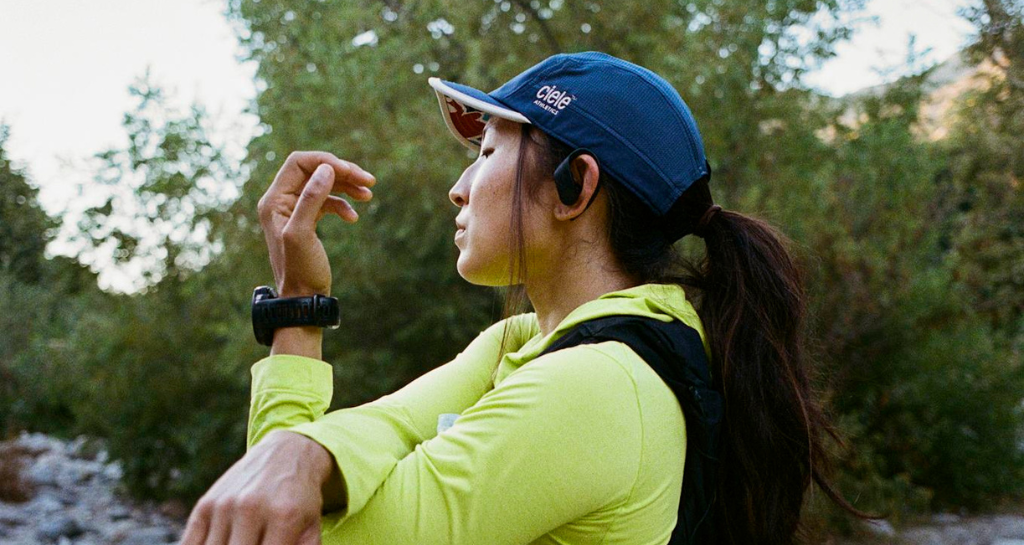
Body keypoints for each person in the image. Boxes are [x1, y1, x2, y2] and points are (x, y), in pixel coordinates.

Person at [181, 51, 866, 545]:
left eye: (486, 154)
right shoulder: (525, 341)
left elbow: (288, 534)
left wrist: (300, 437)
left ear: (576, 186)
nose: (458, 189)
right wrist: (298, 324)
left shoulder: (600, 386)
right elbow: (377, 432)